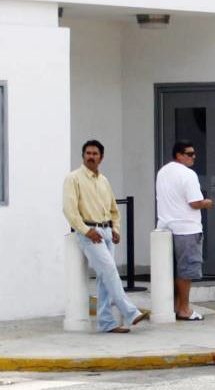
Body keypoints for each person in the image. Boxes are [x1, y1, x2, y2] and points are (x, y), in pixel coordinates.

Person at [63, 140, 149, 333]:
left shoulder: (104, 180)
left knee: (104, 279)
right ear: (83, 155)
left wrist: (115, 229)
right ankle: (130, 312)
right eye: (88, 153)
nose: (91, 156)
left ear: (101, 157)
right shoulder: (73, 178)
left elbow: (113, 209)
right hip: (89, 233)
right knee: (110, 271)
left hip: (107, 232)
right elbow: (69, 210)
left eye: (95, 154)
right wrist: (86, 231)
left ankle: (106, 323)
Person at [156, 140, 214, 321]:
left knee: (170, 271)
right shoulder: (188, 174)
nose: (193, 157)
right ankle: (184, 309)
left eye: (194, 154)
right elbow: (194, 202)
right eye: (189, 154)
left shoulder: (162, 172)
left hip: (164, 228)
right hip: (186, 229)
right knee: (186, 272)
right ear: (179, 155)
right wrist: (207, 202)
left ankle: (172, 306)